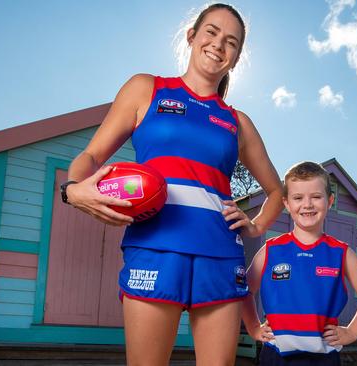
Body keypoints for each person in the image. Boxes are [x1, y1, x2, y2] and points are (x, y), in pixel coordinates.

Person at [62, 4, 283, 365]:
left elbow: (276, 191)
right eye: (210, 32)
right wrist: (73, 189)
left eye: (231, 42)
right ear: (192, 36)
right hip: (154, 247)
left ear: (236, 57)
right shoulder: (145, 89)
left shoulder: (237, 122)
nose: (218, 45)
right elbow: (89, 158)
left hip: (220, 254)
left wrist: (256, 224)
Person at [242, 161, 357, 366]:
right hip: (276, 355)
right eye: (298, 198)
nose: (307, 204)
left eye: (316, 197)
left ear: (330, 201)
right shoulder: (271, 251)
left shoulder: (341, 252)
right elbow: (245, 290)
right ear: (287, 204)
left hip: (324, 356)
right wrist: (253, 327)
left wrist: (351, 331)